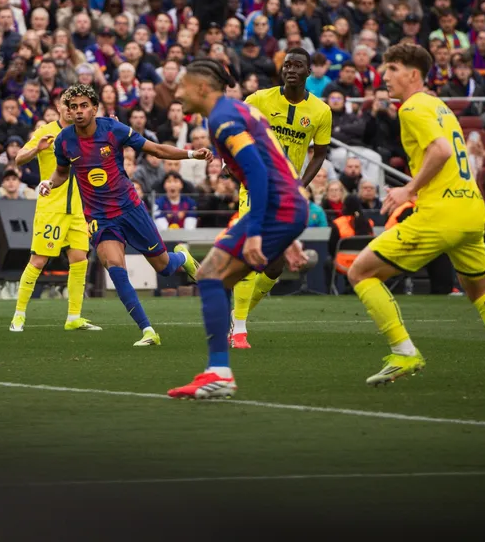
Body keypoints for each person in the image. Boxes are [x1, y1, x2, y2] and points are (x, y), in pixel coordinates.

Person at [346, 43, 485, 387]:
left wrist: (408, 189)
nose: (384, 76)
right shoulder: (440, 106)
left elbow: (442, 151)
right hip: (471, 209)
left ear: (412, 74)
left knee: (360, 272)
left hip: (440, 212)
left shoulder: (412, 108)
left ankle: (404, 352)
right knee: (481, 292)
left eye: (391, 69)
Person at [166, 60, 309, 400]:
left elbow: (258, 173)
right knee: (213, 276)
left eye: (182, 85)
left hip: (279, 207)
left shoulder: (223, 117)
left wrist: (260, 231)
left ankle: (219, 372)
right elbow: (278, 162)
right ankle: (218, 370)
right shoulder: (238, 110)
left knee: (211, 275)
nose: (176, 92)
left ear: (202, 87)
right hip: (286, 206)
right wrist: (291, 230)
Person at [38, 84, 210, 347]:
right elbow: (62, 172)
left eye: (84, 106)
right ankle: (148, 330)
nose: (79, 111)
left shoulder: (113, 129)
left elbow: (155, 149)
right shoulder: (64, 141)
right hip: (99, 217)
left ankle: (182, 257)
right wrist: (49, 183)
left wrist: (190, 154)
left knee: (164, 267)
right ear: (69, 112)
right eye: (73, 107)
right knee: (116, 269)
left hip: (130, 209)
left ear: (94, 108)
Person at [227, 46, 330, 349]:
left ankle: (237, 313)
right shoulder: (259, 99)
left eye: (298, 65)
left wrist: (301, 183)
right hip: (255, 184)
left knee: (273, 267)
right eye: (287, 65)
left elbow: (320, 153)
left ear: (308, 73)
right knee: (251, 251)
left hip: (286, 192)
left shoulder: (321, 111)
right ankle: (240, 330)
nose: (291, 70)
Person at [9, 98, 100, 333]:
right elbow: (19, 159)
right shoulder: (46, 132)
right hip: (52, 207)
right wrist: (35, 149)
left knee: (80, 259)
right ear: (60, 108)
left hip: (79, 208)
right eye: (68, 106)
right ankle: (18, 315)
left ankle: (74, 317)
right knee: (39, 260)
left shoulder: (87, 131)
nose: (73, 111)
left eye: (77, 107)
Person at [328, 194, 376, 291]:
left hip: (343, 264)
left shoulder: (338, 223)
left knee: (328, 262)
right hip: (365, 263)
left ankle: (330, 291)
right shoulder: (369, 223)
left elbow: (331, 248)